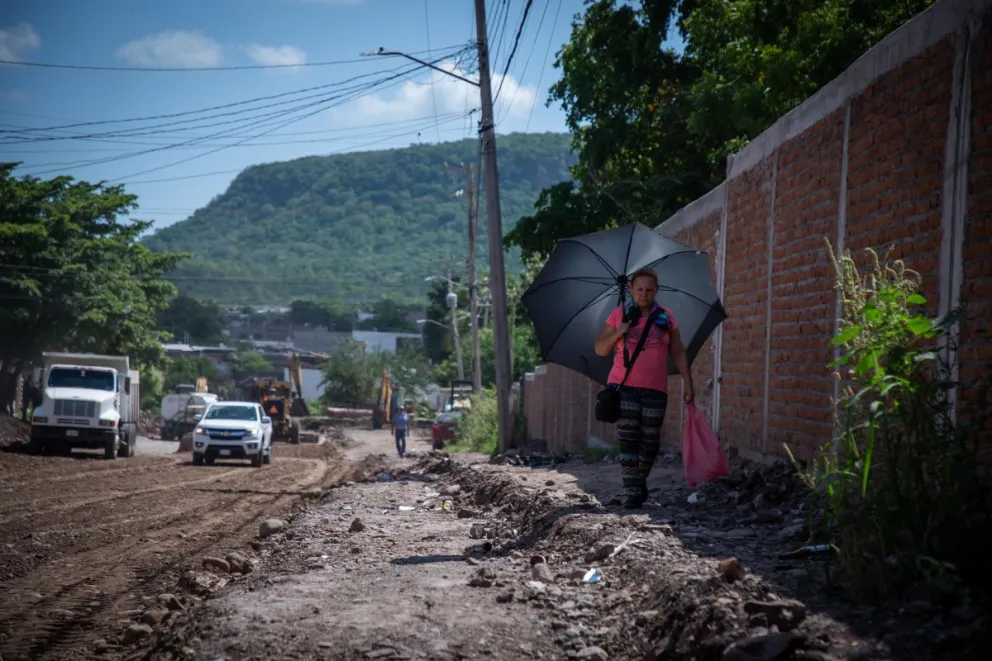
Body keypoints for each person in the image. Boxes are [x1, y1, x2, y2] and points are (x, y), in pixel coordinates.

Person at [594, 267, 695, 509]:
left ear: (656, 291)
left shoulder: (665, 317)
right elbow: (600, 348)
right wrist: (618, 333)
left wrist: (688, 381)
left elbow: (678, 351)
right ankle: (633, 492)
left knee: (650, 441)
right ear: (631, 290)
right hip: (624, 386)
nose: (644, 294)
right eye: (639, 289)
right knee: (629, 439)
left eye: (649, 290)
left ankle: (638, 482)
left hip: (656, 389)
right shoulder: (619, 315)